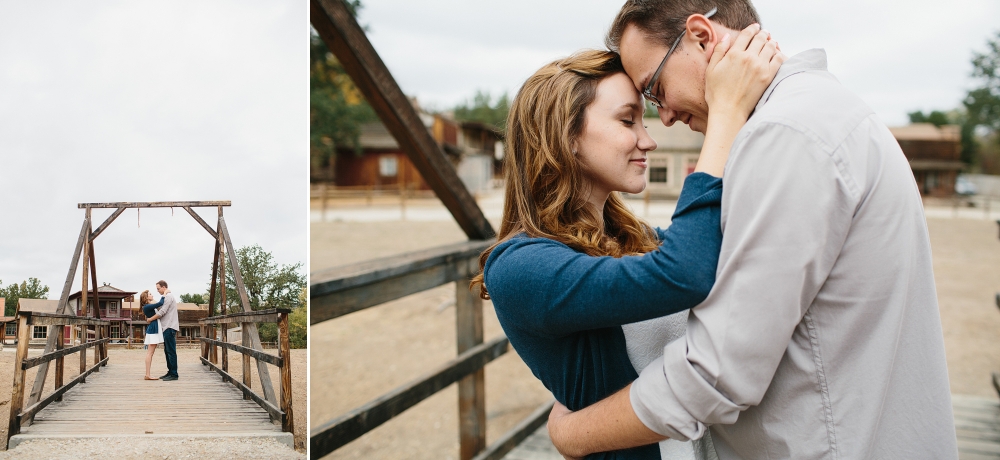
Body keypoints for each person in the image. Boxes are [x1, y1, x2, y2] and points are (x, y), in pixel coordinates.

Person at [545, 1, 959, 459]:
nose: (662, 117)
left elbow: (717, 372)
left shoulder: (784, 135)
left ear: (702, 37)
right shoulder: (814, 113)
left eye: (656, 89)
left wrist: (573, 434)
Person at [474, 23, 781, 459]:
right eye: (627, 120)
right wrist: (726, 117)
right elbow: (683, 273)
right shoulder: (519, 267)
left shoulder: (633, 239)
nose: (649, 140)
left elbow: (710, 247)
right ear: (567, 136)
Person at [146, 280, 179, 381]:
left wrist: (150, 319)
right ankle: (170, 372)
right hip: (166, 327)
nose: (157, 291)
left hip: (169, 326)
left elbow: (162, 311)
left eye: (158, 288)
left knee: (171, 351)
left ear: (164, 287)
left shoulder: (169, 297)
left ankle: (174, 374)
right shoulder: (167, 296)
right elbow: (161, 306)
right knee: (167, 350)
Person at [139, 289, 164, 380]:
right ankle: (147, 375)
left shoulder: (148, 306)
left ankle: (147, 374)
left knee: (151, 353)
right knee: (150, 353)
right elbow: (160, 303)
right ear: (146, 297)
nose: (152, 295)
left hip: (153, 328)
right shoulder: (147, 306)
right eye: (150, 294)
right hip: (153, 329)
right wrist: (165, 294)